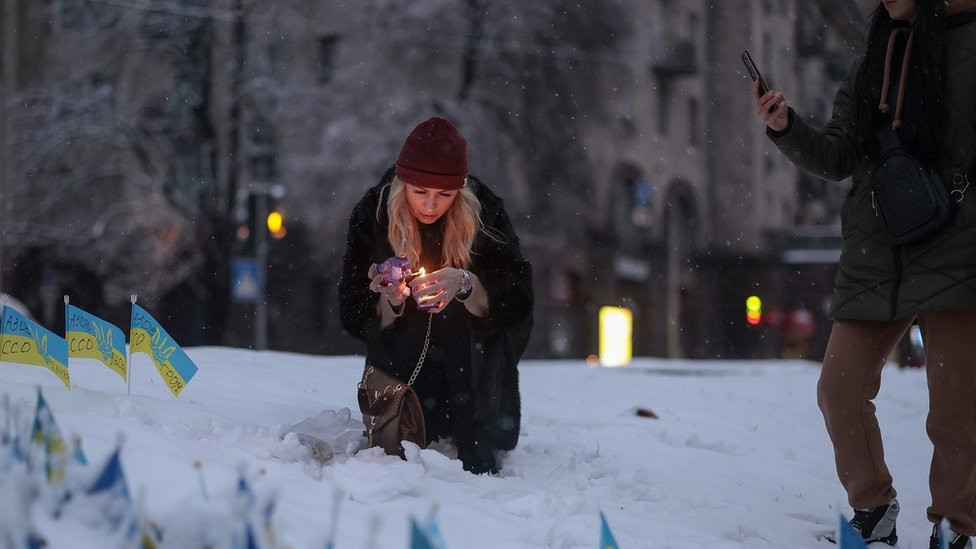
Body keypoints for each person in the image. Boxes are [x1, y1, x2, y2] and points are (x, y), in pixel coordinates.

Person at [753, 0, 976, 547]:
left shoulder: (971, 41)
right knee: (840, 389)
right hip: (878, 252)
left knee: (955, 410)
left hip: (956, 248)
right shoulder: (874, 55)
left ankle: (955, 528)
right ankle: (874, 509)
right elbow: (837, 156)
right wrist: (785, 127)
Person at [338, 116, 533, 474]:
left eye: (444, 195)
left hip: (474, 393)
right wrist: (390, 302)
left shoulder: (486, 215)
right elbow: (351, 314)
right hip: (402, 394)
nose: (430, 206)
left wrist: (467, 286)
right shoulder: (374, 215)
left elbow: (519, 301)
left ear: (459, 191)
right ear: (402, 184)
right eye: (420, 193)